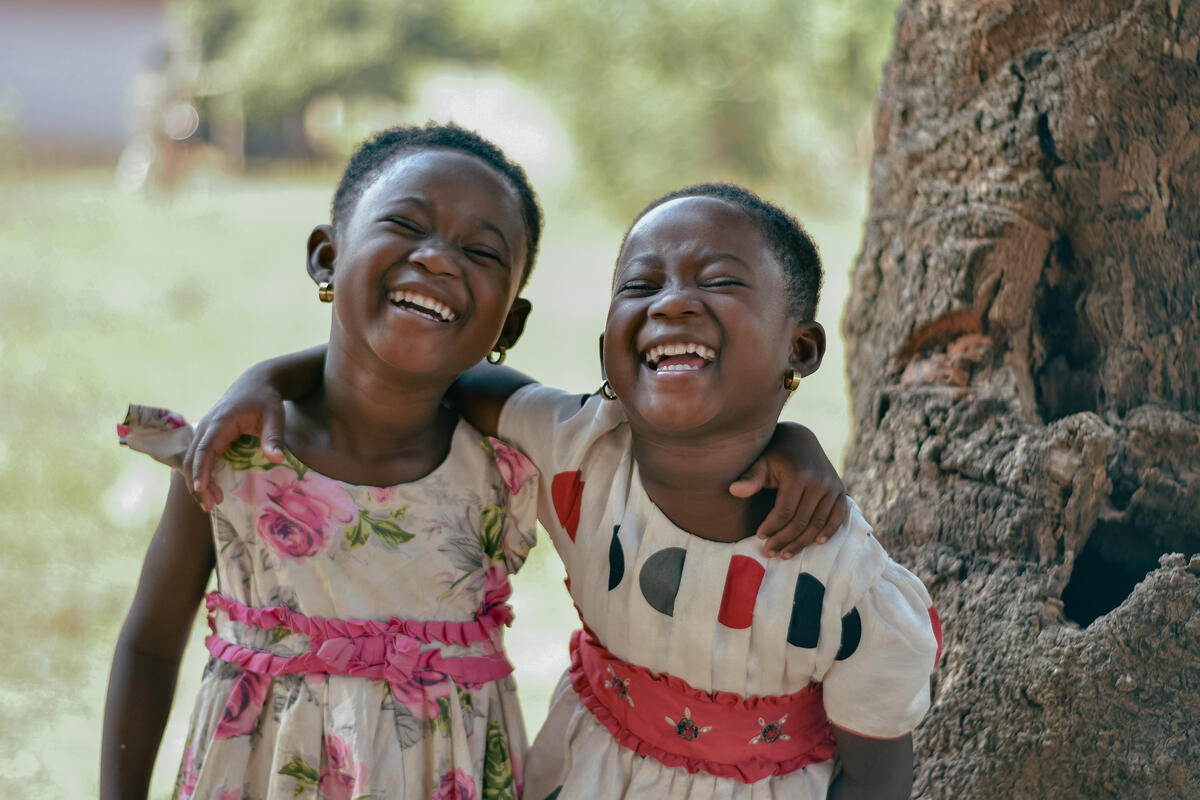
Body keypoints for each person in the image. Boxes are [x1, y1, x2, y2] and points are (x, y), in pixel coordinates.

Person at [183, 182, 940, 798]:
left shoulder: (847, 588)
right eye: (641, 284)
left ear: (799, 348)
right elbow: (421, 368)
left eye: (717, 282)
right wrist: (267, 378)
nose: (671, 303)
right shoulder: (578, 447)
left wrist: (797, 438)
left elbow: (876, 779)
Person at [102, 123, 549, 800]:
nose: (438, 259)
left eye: (480, 251)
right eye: (405, 223)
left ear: (508, 327)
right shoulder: (233, 457)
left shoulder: (507, 466)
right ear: (325, 257)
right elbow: (150, 645)